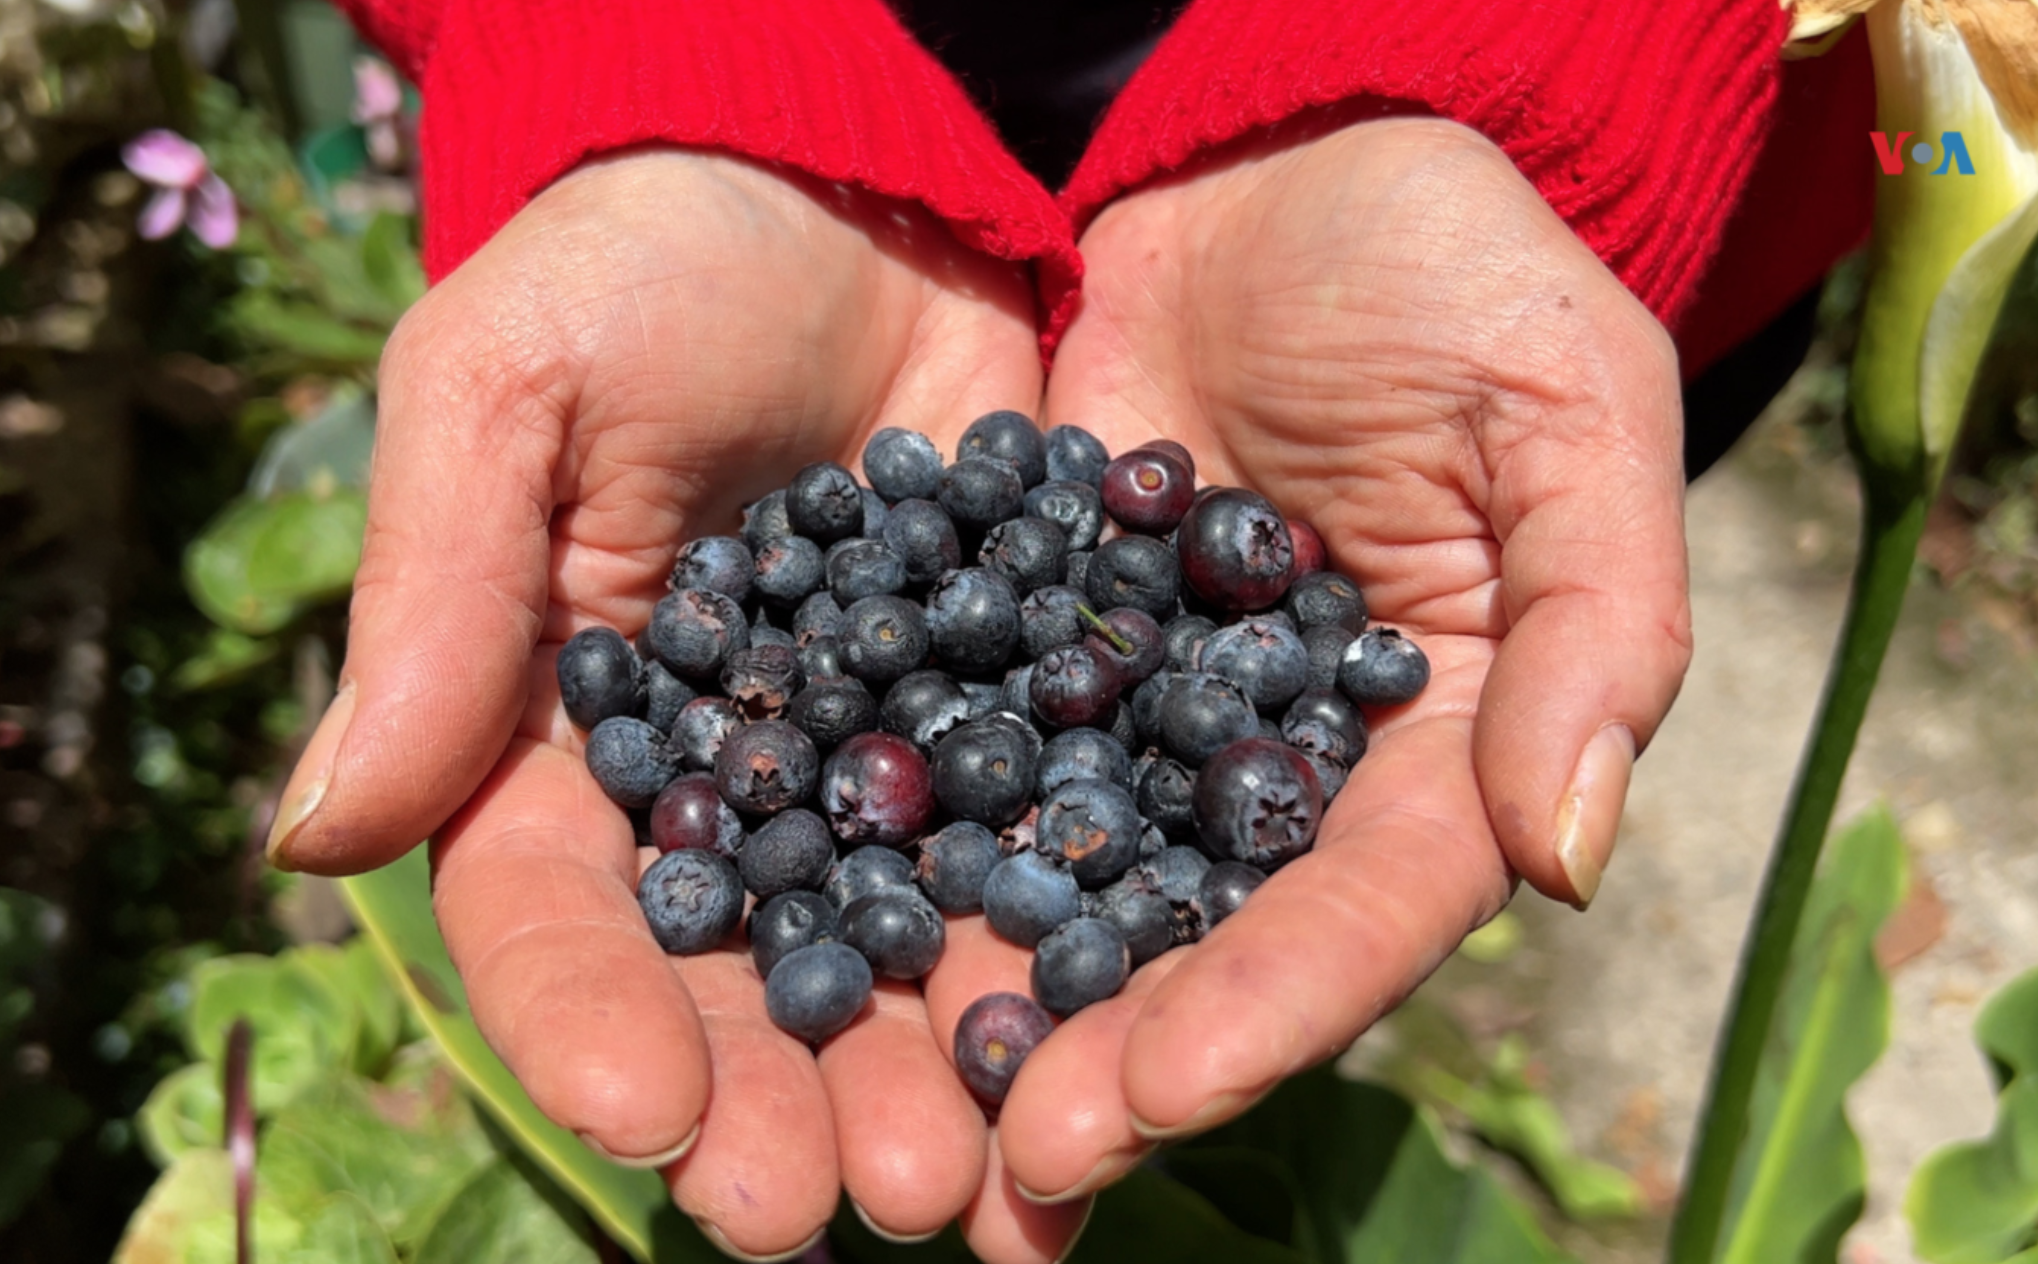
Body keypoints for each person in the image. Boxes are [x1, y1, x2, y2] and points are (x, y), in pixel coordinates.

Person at [266, 1, 1875, 1259]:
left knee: (1287, 915)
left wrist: (1507, 67)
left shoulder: (1196, 640)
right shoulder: (842, 702)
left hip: (1608, 210)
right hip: (831, 148)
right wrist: (661, 70)